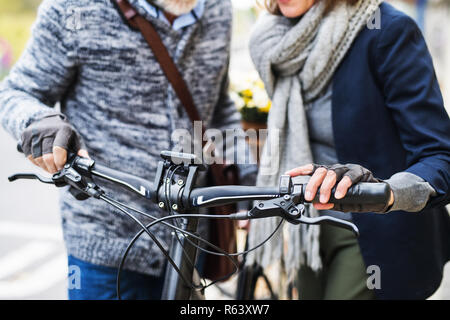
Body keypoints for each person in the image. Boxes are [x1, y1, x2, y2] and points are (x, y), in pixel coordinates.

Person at [0, 0, 248, 300]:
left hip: (190, 237)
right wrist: (41, 122)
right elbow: (16, 93)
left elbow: (218, 108)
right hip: (105, 245)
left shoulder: (218, 9)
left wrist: (246, 175)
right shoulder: (73, 8)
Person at [247, 0, 450, 299]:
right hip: (307, 226)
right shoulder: (273, 43)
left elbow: (439, 155)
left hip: (377, 229)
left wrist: (385, 192)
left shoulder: (386, 30)